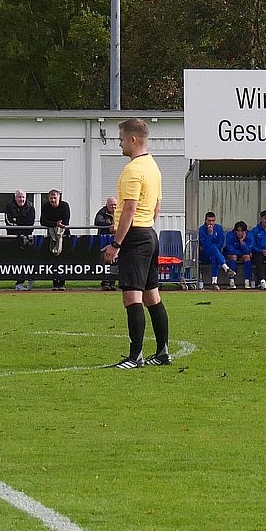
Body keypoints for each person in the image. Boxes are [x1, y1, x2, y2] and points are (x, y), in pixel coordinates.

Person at [99, 117, 169, 368]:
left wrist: (117, 243)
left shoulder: (133, 170)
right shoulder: (153, 167)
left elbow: (129, 208)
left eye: (120, 139)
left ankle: (135, 357)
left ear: (133, 139)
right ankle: (162, 352)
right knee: (152, 296)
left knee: (132, 297)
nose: (119, 144)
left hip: (135, 238)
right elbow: (157, 206)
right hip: (149, 233)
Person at [40, 189, 71, 291]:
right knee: (52, 259)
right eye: (51, 198)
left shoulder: (65, 206)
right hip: (51, 236)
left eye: (54, 198)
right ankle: (54, 283)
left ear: (59, 197)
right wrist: (55, 224)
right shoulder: (46, 206)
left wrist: (54, 224)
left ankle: (62, 283)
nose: (53, 200)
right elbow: (43, 221)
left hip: (64, 235)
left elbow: (65, 221)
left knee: (63, 259)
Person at [4, 189, 36, 290]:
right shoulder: (9, 206)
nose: (21, 199)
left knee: (28, 260)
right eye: (19, 197)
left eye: (23, 197)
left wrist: (17, 220)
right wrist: (22, 222)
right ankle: (19, 283)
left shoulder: (30, 206)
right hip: (13, 238)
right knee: (16, 261)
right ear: (15, 197)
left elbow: (30, 223)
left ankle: (30, 278)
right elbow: (9, 221)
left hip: (27, 237)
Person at [196, 211, 232, 289]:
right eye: (209, 221)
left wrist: (215, 248)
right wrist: (210, 234)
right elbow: (205, 246)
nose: (211, 223)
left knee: (215, 257)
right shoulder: (201, 230)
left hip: (216, 253)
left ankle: (214, 282)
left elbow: (221, 243)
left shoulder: (219, 228)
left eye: (213, 221)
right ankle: (225, 267)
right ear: (205, 220)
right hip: (205, 254)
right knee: (213, 248)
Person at [93, 197, 117, 291]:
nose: (113, 207)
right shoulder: (102, 212)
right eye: (111, 205)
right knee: (104, 260)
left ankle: (112, 283)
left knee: (114, 262)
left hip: (115, 240)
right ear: (107, 205)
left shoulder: (119, 212)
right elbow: (98, 221)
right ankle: (105, 283)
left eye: (115, 205)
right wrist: (110, 224)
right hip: (104, 240)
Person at [222, 221, 254, 289]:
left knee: (247, 257)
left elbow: (248, 250)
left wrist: (242, 242)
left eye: (242, 231)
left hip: (242, 254)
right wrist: (241, 254)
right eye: (238, 231)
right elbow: (230, 250)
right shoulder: (230, 235)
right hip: (231, 254)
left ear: (245, 231)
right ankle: (231, 281)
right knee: (233, 256)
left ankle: (247, 281)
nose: (239, 233)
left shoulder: (249, 236)